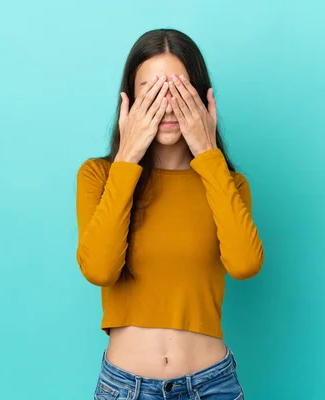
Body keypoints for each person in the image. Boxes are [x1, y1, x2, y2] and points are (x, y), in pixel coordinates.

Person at [76, 28, 264, 400]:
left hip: (214, 386)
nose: (166, 106)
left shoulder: (228, 183)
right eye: (152, 92)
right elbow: (99, 269)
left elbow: (245, 264)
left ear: (203, 99)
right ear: (128, 102)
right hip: (125, 389)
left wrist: (208, 155)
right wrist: (127, 158)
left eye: (178, 91)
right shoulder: (98, 176)